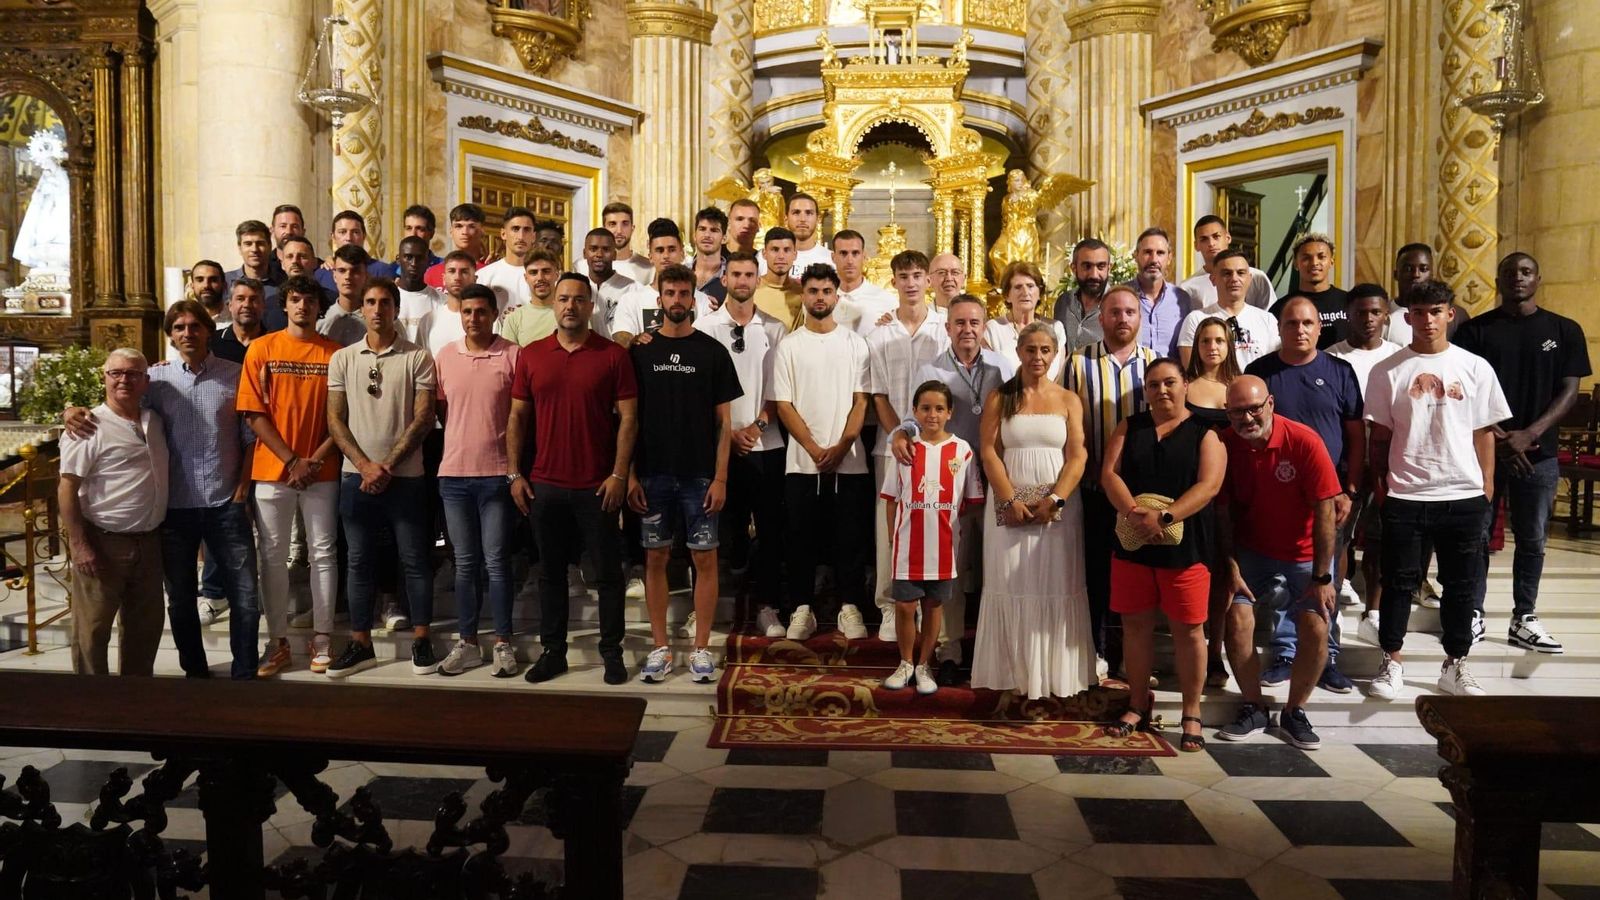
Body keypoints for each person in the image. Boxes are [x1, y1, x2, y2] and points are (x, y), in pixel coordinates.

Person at [1366, 280, 1512, 700]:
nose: (1427, 320)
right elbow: (1380, 438)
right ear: (1406, 317)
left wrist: (1484, 485)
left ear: (1450, 314)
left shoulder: (1475, 367)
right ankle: (1391, 660)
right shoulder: (1387, 370)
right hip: (1407, 492)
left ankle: (1456, 663)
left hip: (1461, 492)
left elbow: (1484, 432)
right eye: (1420, 312)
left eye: (1436, 311)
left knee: (1461, 584)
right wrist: (1383, 486)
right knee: (1398, 581)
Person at [507, 273, 637, 686]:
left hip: (597, 483)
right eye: (563, 299)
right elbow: (517, 417)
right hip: (546, 483)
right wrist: (514, 474)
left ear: (590, 306)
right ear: (554, 304)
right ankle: (553, 652)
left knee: (607, 574)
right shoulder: (531, 355)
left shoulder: (612, 355)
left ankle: (612, 653)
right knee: (550, 573)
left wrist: (619, 473)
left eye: (578, 300)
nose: (569, 307)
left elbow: (629, 418)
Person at [1456, 252, 1590, 654]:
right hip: (1484, 451)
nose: (1518, 277)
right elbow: (1465, 390)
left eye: (1526, 271)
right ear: (1498, 280)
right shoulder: (1476, 330)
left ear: (1538, 278)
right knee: (1476, 536)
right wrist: (1499, 437)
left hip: (1540, 453)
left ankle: (1524, 616)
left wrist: (1529, 432)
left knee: (1533, 538)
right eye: (1510, 272)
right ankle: (1473, 611)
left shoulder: (1564, 330)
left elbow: (1570, 391)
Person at [1100, 358, 1224, 752]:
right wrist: (1136, 516)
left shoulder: (1205, 433)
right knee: (1135, 628)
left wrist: (1166, 517)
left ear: (1185, 384)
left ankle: (1191, 712)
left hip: (1185, 550)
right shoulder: (1130, 427)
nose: (1162, 391)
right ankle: (1137, 705)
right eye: (1153, 385)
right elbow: (1110, 473)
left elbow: (1209, 486)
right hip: (1132, 543)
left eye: (1170, 382)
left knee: (1188, 631)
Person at [1214, 376, 1342, 750]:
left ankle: (1294, 711)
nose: (1248, 417)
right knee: (1236, 620)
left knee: (1316, 627)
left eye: (1255, 408)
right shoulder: (1223, 444)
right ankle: (1253, 706)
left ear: (1270, 404)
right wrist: (1230, 566)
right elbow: (1221, 513)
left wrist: (1321, 576)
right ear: (1227, 412)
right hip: (1251, 551)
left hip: (1304, 553)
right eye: (1238, 411)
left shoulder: (1303, 441)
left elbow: (1325, 512)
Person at [627, 264, 740, 683]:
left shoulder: (712, 352)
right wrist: (631, 476)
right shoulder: (639, 351)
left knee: (704, 558)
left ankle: (701, 649)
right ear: (659, 299)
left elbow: (724, 424)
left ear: (694, 298)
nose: (676, 299)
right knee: (655, 559)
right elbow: (629, 420)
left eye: (683, 293)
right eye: (669, 292)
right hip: (653, 474)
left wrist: (721, 477)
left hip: (699, 476)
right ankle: (660, 648)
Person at [893, 295, 1015, 683]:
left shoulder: (1002, 366)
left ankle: (995, 645)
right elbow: (913, 420)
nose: (967, 330)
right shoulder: (931, 368)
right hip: (951, 485)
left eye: (975, 323)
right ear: (947, 328)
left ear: (984, 327)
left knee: (995, 566)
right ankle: (949, 648)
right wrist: (900, 433)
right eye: (959, 322)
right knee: (954, 569)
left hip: (997, 478)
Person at [1245, 297, 1362, 692]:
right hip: (1274, 493)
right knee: (1281, 585)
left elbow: (1355, 434)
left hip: (1328, 496)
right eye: (1291, 323)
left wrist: (1349, 487)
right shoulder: (1261, 372)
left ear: (1318, 327)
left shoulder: (1339, 371)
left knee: (1324, 579)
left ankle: (1326, 656)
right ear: (1279, 328)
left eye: (1308, 323)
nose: (1300, 329)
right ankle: (1285, 652)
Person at [971, 322, 1094, 699]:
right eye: (1030, 350)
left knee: (1055, 583)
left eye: (1045, 350)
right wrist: (1008, 500)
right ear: (1019, 352)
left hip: (1057, 512)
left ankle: (1055, 676)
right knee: (1010, 584)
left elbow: (1078, 455)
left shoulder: (1069, 399)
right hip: (1009, 511)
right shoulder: (999, 397)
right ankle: (1011, 674)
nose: (1037, 357)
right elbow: (989, 450)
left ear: (1055, 353)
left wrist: (1055, 499)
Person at [325, 278, 439, 678]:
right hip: (356, 478)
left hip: (405, 478)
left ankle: (422, 639)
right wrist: (365, 465)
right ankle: (360, 643)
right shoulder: (343, 359)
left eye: (385, 303)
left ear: (394, 308)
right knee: (358, 561)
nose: (377, 309)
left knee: (414, 560)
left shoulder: (418, 357)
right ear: (362, 310)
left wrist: (387, 465)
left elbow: (424, 418)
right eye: (370, 302)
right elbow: (335, 420)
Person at [237, 276, 343, 676]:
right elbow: (253, 413)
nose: (302, 306)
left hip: (322, 468)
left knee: (323, 554)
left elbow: (341, 418)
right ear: (285, 305)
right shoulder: (263, 349)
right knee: (272, 557)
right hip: (272, 469)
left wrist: (311, 461)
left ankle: (322, 640)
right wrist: (290, 460)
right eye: (295, 299)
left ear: (320, 306)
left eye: (309, 300)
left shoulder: (336, 353)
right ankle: (277, 641)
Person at [770, 263, 873, 640]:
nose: (819, 298)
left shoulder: (855, 344)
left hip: (850, 461)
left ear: (836, 296)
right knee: (800, 538)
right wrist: (814, 448)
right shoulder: (789, 345)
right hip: (802, 462)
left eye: (826, 291)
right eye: (812, 291)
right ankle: (801, 608)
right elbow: (783, 405)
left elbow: (861, 401)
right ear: (804, 296)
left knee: (850, 538)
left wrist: (842, 446)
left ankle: (850, 606)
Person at [1064, 285, 1159, 685]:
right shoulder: (1077, 362)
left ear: (1140, 319)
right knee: (1097, 573)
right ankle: (1098, 652)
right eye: (1114, 312)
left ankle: (1130, 658)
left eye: (1130, 313)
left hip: (1139, 494)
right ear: (1100, 318)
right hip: (1092, 488)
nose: (1123, 319)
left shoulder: (1155, 364)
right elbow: (1064, 421)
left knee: (1137, 578)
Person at [58, 349, 169, 676]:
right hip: (103, 544)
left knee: (144, 632)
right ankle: (92, 707)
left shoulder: (154, 421)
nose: (125, 379)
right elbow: (66, 488)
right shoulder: (88, 426)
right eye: (116, 373)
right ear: (104, 378)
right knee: (93, 631)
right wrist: (79, 545)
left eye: (133, 373)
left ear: (146, 381)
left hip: (149, 543)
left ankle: (132, 703)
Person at [434, 283, 521, 678]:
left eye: (481, 312)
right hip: (454, 474)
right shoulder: (446, 356)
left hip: (497, 474)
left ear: (494, 314)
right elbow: (440, 409)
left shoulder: (512, 355)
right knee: (465, 564)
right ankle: (467, 642)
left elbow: (522, 416)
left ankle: (503, 642)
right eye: (467, 312)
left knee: (497, 563)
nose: (473, 318)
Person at [699, 252, 789, 634]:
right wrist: (729, 433)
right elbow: (699, 389)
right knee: (721, 532)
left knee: (770, 531)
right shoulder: (704, 327)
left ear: (757, 279)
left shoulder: (775, 328)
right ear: (723, 277)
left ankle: (767, 606)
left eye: (749, 274)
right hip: (719, 444)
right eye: (735, 273)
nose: (742, 280)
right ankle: (712, 605)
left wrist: (757, 425)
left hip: (765, 445)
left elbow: (779, 385)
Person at [880, 380, 985, 695]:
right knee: (905, 606)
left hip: (943, 547)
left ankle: (925, 664)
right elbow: (890, 498)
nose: (932, 414)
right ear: (914, 411)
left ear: (950, 412)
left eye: (939, 408)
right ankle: (905, 663)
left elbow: (969, 502)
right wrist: (891, 539)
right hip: (907, 546)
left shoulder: (962, 451)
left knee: (934, 605)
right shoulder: (904, 449)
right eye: (925, 408)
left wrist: (950, 530)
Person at [868, 250, 951, 642]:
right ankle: (890, 605)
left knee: (934, 525)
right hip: (893, 448)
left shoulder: (943, 328)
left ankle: (928, 606)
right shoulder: (880, 333)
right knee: (891, 529)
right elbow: (880, 395)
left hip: (937, 448)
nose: (913, 283)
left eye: (919, 275)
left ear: (928, 280)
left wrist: (928, 438)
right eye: (905, 276)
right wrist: (899, 436)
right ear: (895, 281)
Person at [1329, 284, 1402, 635]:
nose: (1369, 319)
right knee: (1339, 533)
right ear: (1348, 313)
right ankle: (1334, 596)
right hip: (1345, 458)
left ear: (1386, 314)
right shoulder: (1332, 357)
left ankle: (1374, 610)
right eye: (1361, 312)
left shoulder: (1400, 357)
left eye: (1376, 312)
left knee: (1381, 535)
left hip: (1389, 457)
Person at [1177, 249, 1280, 370]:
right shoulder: (1196, 319)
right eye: (1227, 273)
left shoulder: (1268, 320)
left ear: (1250, 278)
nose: (1234, 279)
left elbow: (1275, 367)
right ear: (1213, 279)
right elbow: (1191, 373)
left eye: (1240, 273)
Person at [985, 261, 1067, 382]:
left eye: (1030, 286)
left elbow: (1060, 377)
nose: (1025, 292)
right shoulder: (993, 329)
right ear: (1007, 295)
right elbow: (989, 378)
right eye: (1018, 287)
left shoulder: (1055, 328)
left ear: (1039, 293)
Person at [1179, 215, 1276, 310]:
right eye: (1204, 239)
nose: (1211, 243)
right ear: (1196, 245)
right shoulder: (1188, 288)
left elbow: (1271, 319)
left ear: (1228, 238)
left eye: (1216, 236)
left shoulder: (1256, 277)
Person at [1269, 234, 1348, 347]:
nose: (1314, 263)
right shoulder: (1282, 307)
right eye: (1306, 258)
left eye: (1321, 257)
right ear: (1296, 263)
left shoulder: (1349, 302)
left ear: (1331, 261)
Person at [1129, 227, 1193, 359]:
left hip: (1171, 378)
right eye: (1147, 252)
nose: (1153, 260)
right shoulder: (1120, 296)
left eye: (1160, 253)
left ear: (1169, 258)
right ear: (1136, 255)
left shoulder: (1182, 299)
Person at [580, 226, 642, 339]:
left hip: (618, 355)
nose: (599, 254)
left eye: (606, 249)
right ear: (584, 253)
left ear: (614, 255)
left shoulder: (632, 288)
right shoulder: (578, 287)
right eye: (593, 249)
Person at [476, 206, 536, 316]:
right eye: (515, 229)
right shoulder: (484, 276)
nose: (521, 236)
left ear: (533, 236)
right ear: (503, 234)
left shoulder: (543, 276)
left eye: (526, 230)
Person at [419, 250, 480, 356]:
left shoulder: (487, 320)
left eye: (464, 272)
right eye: (452, 271)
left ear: (475, 279)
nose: (457, 277)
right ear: (444, 279)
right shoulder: (429, 320)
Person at [313, 209, 391, 293]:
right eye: (342, 232)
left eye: (355, 232)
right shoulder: (321, 274)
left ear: (364, 236)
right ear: (333, 237)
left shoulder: (382, 271)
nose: (349, 238)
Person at [1054, 238, 1110, 355]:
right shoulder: (1063, 302)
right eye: (1087, 266)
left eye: (1101, 267)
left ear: (1109, 268)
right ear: (1073, 268)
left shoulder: (1120, 305)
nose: (1094, 275)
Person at [499, 249, 560, 347]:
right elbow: (510, 360)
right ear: (526, 278)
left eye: (546, 271)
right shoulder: (513, 319)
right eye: (533, 272)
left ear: (557, 275)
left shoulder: (571, 314)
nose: (540, 278)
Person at [1181, 317, 1241, 418]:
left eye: (1219, 341)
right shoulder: (1183, 386)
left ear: (1229, 345)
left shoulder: (1241, 384)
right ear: (1197, 346)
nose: (1212, 347)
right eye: (1205, 341)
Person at [833, 228, 890, 333]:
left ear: (864, 256)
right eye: (843, 253)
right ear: (833, 257)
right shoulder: (822, 299)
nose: (849, 261)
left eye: (855, 253)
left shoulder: (885, 299)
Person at [423, 203, 492, 288]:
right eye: (458, 226)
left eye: (471, 226)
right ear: (451, 231)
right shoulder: (433, 272)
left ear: (482, 231)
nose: (465, 232)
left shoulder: (491, 271)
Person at [212, 277, 278, 364]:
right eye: (240, 299)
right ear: (229, 305)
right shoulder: (213, 342)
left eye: (253, 299)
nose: (247, 305)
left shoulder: (277, 344)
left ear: (263, 305)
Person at [394, 235, 444, 347]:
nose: (414, 263)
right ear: (398, 260)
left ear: (428, 261)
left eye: (420, 258)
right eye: (408, 257)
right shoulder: (387, 300)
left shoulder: (442, 301)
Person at [319, 244, 372, 347]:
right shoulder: (321, 319)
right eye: (342, 271)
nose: (348, 277)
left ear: (365, 275)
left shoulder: (378, 318)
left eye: (355, 271)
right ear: (334, 275)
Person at [593, 201, 655, 285]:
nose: (619, 231)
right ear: (604, 229)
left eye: (625, 224)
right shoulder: (586, 266)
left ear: (632, 228)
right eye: (612, 224)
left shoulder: (648, 268)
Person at [753, 227, 801, 330]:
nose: (781, 256)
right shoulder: (749, 289)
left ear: (795, 255)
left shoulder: (803, 292)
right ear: (764, 254)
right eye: (775, 250)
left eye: (787, 250)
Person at [225, 219, 282, 292]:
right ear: (240, 248)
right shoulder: (225, 283)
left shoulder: (284, 282)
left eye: (260, 243)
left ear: (270, 246)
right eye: (248, 244)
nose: (254, 249)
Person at [785, 193, 831, 277]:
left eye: (809, 213)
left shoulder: (831, 260)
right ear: (786, 219)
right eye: (796, 212)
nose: (802, 219)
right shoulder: (766, 259)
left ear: (818, 219)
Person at [689, 206, 729, 304]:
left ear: (724, 238)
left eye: (714, 230)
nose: (707, 235)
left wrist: (720, 313)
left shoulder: (733, 276)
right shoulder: (679, 273)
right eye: (702, 229)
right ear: (694, 236)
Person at [393, 204, 442, 275]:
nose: (413, 234)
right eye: (409, 228)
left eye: (420, 229)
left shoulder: (444, 268)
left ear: (431, 233)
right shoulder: (392, 270)